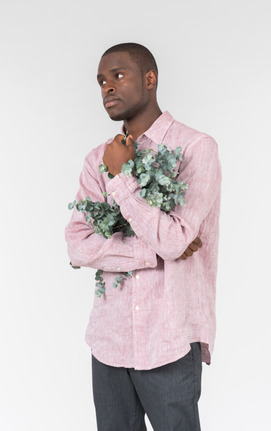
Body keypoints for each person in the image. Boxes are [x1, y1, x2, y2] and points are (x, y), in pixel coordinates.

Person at [65, 42, 221, 431]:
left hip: (168, 340)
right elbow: (76, 243)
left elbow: (174, 240)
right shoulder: (95, 160)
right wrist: (151, 252)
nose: (107, 88)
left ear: (150, 80)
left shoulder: (195, 149)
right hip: (108, 342)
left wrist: (120, 178)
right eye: (101, 81)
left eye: (118, 75)